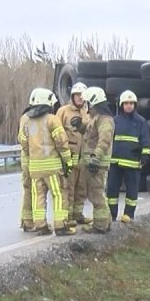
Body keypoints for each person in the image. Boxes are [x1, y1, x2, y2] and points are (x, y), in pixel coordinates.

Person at [18, 88, 75, 235]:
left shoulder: (27, 121)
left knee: (38, 196)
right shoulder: (52, 119)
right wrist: (68, 161)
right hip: (52, 167)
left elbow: (23, 143)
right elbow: (61, 142)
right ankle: (60, 225)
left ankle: (41, 225)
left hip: (35, 168)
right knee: (58, 194)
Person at [107, 90, 150, 223]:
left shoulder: (141, 122)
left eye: (131, 103)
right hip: (115, 162)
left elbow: (145, 141)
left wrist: (145, 156)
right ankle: (111, 215)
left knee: (132, 191)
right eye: (126, 103)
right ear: (121, 105)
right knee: (112, 190)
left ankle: (128, 215)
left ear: (135, 105)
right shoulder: (115, 121)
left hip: (132, 163)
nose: (129, 106)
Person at [76, 87, 114, 233]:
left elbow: (104, 140)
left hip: (96, 163)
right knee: (97, 194)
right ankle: (106, 222)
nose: (86, 106)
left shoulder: (104, 119)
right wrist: (80, 126)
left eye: (88, 103)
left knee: (96, 194)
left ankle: (100, 225)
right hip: (93, 162)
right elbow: (89, 135)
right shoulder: (97, 118)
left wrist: (95, 158)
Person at [56, 82, 89, 227]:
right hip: (68, 158)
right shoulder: (63, 111)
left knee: (81, 189)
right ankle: (67, 217)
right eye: (77, 95)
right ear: (72, 96)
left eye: (82, 96)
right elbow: (57, 133)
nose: (80, 98)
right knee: (67, 189)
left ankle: (77, 214)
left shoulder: (88, 113)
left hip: (82, 159)